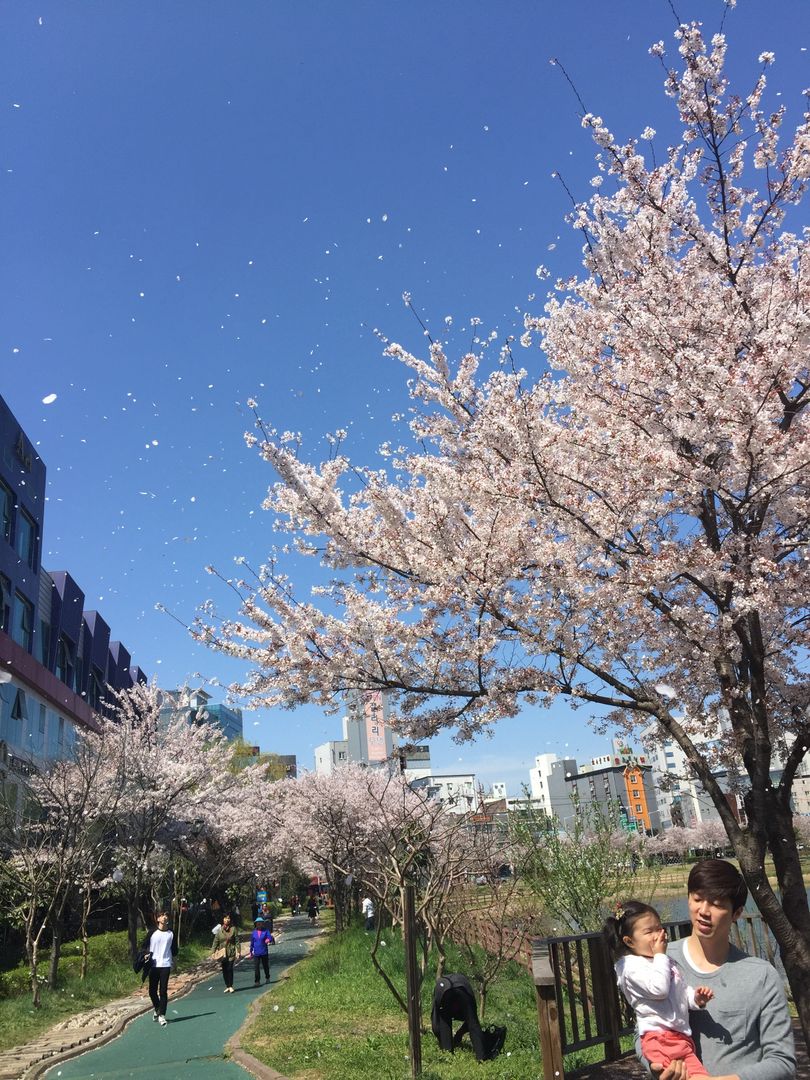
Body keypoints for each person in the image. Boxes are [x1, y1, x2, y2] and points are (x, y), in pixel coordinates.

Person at [650, 859, 796, 1080]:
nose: (704, 911)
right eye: (697, 899)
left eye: (717, 904)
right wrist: (656, 1065)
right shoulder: (663, 961)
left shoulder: (761, 976)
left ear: (736, 913)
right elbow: (644, 1029)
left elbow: (783, 1062)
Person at [604, 900, 712, 1076]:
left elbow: (679, 992)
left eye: (659, 928)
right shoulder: (631, 968)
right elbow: (659, 990)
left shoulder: (661, 961)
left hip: (679, 1037)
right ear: (629, 941)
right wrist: (661, 955)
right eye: (649, 931)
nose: (658, 934)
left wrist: (696, 999)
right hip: (660, 1038)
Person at [145, 912, 177, 1027]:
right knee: (152, 991)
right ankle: (157, 1008)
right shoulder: (152, 933)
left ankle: (162, 1015)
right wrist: (145, 954)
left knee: (163, 991)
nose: (165, 917)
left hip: (165, 964)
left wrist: (174, 961)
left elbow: (175, 950)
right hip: (153, 965)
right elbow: (144, 946)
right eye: (162, 915)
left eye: (166, 915)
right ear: (158, 918)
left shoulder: (171, 933)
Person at [212, 912, 240, 993]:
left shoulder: (233, 929)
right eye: (225, 918)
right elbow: (215, 942)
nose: (227, 920)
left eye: (228, 918)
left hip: (231, 952)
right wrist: (213, 952)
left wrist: (238, 951)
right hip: (222, 953)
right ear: (223, 919)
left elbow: (237, 941)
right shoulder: (219, 930)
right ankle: (227, 986)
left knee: (230, 968)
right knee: (224, 969)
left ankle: (231, 985)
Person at [249, 916, 275, 985]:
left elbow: (270, 937)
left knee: (265, 966)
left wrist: (268, 940)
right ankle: (257, 981)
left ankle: (267, 977)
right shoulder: (254, 932)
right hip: (256, 953)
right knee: (256, 968)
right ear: (256, 924)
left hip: (264, 952)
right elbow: (252, 942)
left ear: (262, 924)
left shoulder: (265, 931)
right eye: (258, 923)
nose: (259, 925)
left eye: (260, 923)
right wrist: (251, 951)